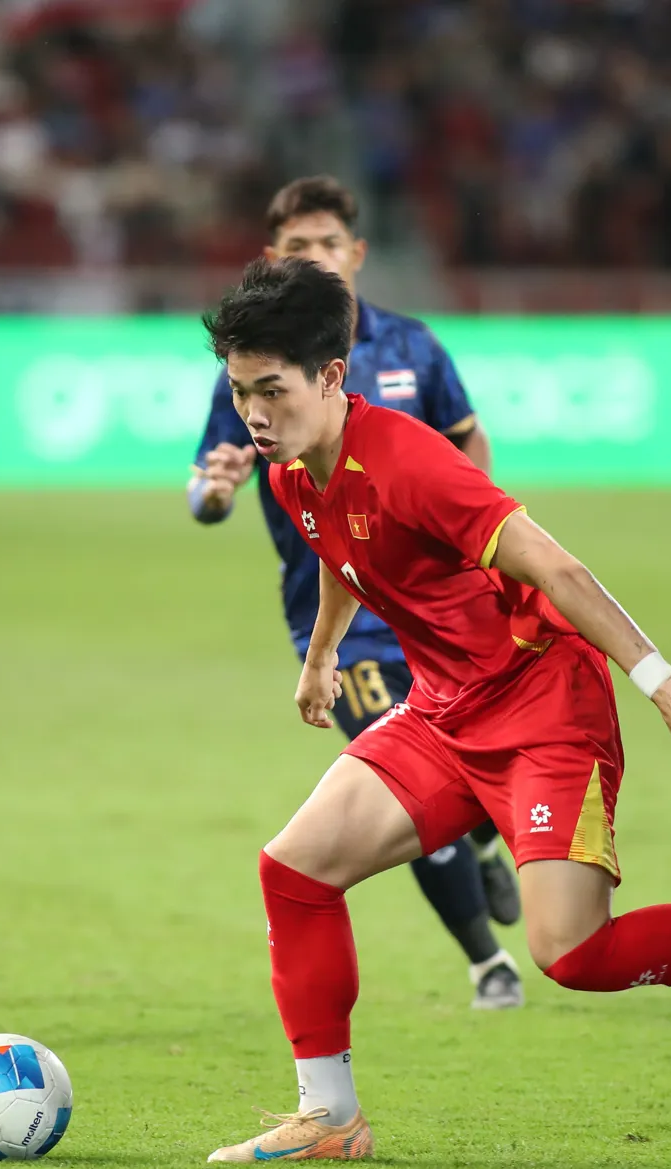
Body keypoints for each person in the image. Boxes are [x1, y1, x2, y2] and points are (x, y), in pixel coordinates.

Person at [202, 256, 671, 1164]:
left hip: (544, 710)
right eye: (239, 390)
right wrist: (323, 657)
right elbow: (341, 551)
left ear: (330, 375)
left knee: (571, 953)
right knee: (294, 871)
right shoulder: (290, 472)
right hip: (443, 713)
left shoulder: (411, 461)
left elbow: (555, 566)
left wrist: (657, 678)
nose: (251, 413)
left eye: (270, 390)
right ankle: (330, 1116)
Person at [191, 176, 524, 1011]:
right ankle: (488, 961)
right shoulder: (258, 363)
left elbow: (467, 441)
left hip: (438, 608)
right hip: (345, 617)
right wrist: (216, 492)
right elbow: (206, 488)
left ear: (357, 252)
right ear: (274, 257)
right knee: (395, 771)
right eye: (297, 247)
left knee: (465, 756)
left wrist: (477, 533)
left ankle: (485, 838)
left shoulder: (413, 346)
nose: (315, 258)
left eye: (328, 244)